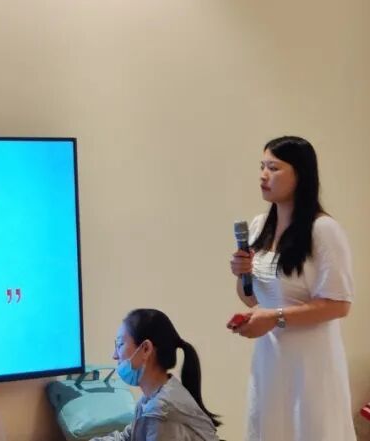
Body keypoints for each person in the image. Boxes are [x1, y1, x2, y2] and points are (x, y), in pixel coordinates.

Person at [228, 135, 355, 441]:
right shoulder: (259, 226)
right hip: (270, 360)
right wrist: (241, 275)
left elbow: (339, 305)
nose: (263, 175)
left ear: (300, 174)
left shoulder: (323, 230)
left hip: (311, 364)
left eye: (273, 168)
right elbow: (252, 299)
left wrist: (274, 317)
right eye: (262, 166)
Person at [95, 308, 221, 441]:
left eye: (120, 345)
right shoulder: (150, 399)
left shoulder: (162, 410)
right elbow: (127, 438)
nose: (115, 355)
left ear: (146, 349)